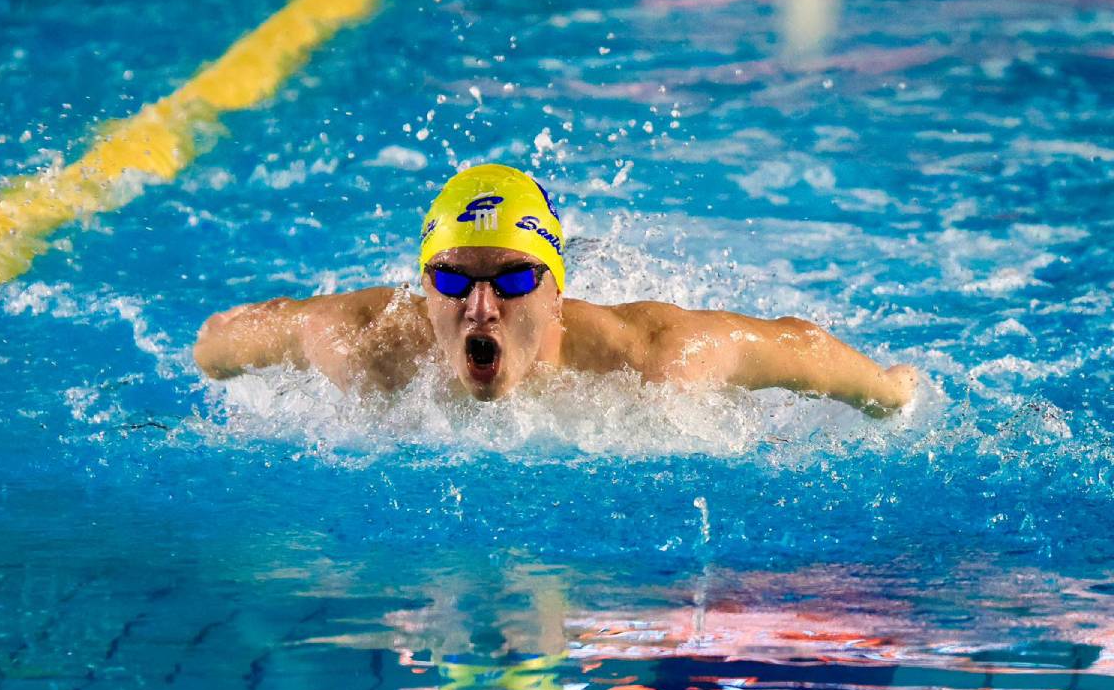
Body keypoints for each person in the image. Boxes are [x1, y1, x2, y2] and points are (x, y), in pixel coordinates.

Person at [194, 163, 917, 415]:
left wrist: (887, 392)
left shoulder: (654, 361)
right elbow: (224, 342)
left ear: (555, 294)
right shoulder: (363, 345)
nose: (480, 306)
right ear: (424, 287)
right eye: (453, 279)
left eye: (511, 278)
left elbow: (801, 347)